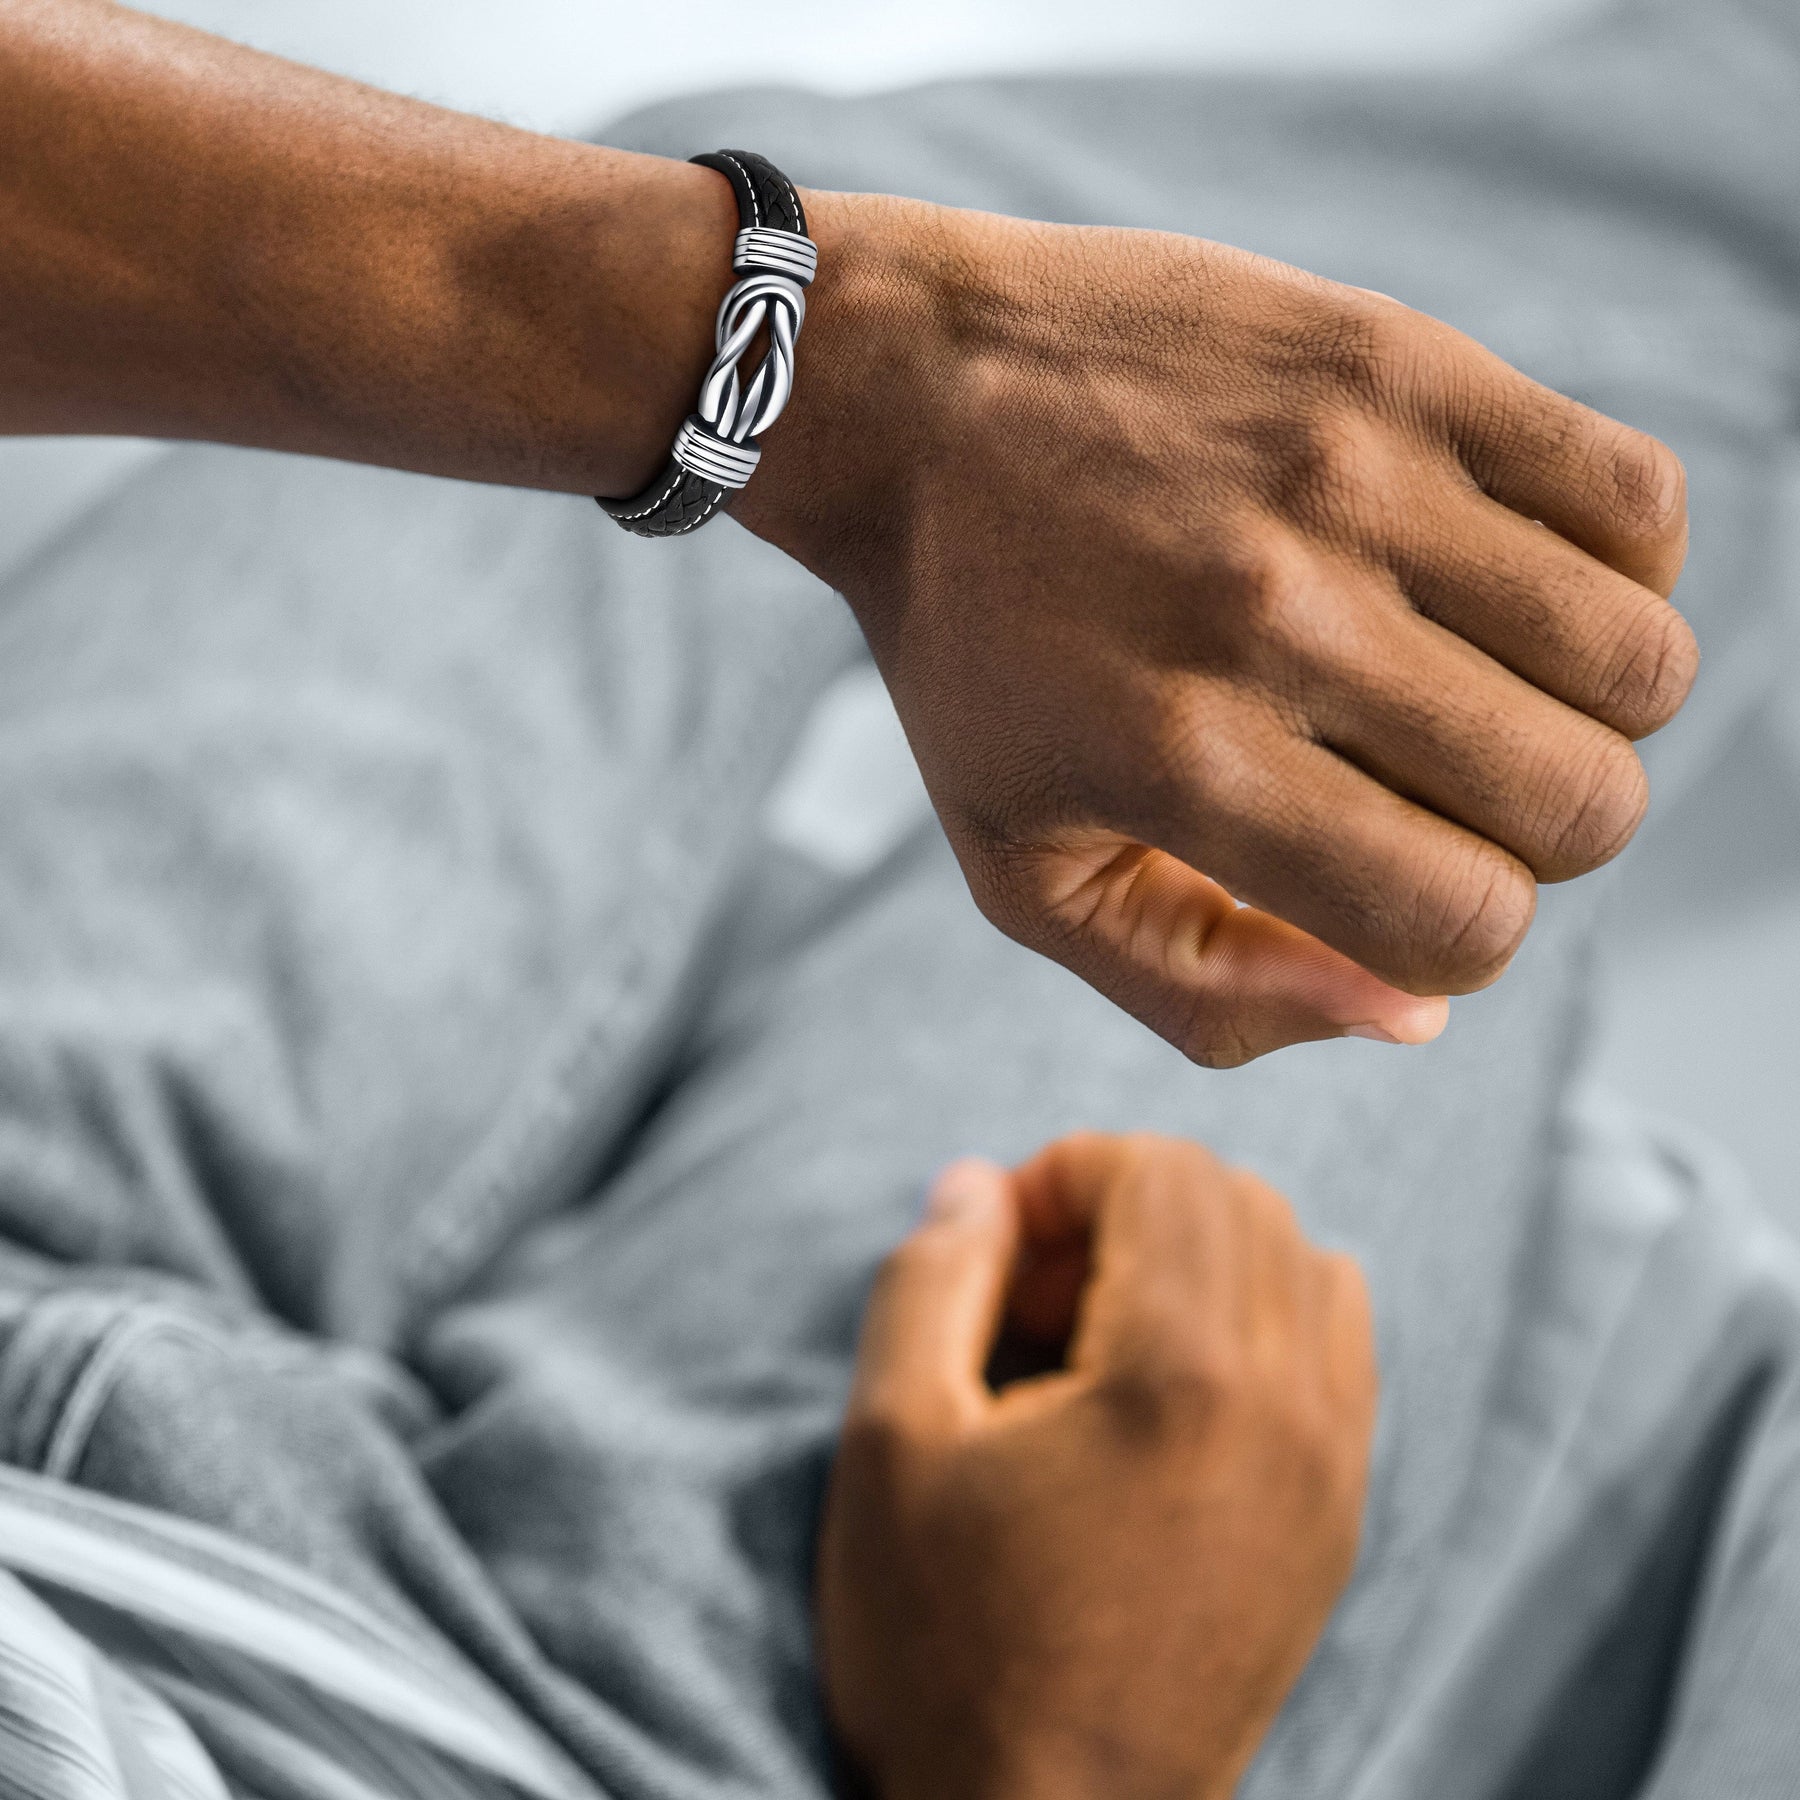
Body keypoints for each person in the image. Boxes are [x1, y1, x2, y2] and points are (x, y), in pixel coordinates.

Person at [2, 1, 1794, 1797]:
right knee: (1421, 722)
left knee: (798, 212)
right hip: (586, 1736)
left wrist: (832, 370)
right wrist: (1066, 1764)